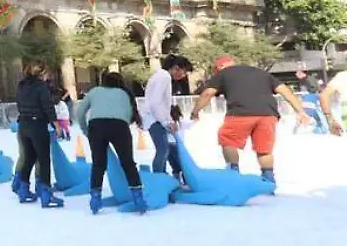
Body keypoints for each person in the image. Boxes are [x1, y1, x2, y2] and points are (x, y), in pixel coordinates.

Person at [190, 55, 311, 185]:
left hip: (240, 113)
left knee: (227, 140)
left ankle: (233, 174)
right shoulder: (260, 72)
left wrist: (195, 111)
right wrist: (300, 111)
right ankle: (269, 180)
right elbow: (285, 90)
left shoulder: (223, 73)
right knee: (264, 149)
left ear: (219, 67)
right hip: (268, 114)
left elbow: (207, 93)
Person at [74, 71, 146, 214]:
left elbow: (80, 112)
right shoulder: (124, 94)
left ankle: (95, 198)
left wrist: (85, 129)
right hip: (119, 126)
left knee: (99, 163)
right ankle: (138, 198)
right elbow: (129, 115)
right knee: (127, 162)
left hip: (96, 125)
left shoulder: (94, 92)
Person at [14, 60, 63, 207]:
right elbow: (48, 106)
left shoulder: (21, 86)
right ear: (41, 72)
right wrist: (56, 125)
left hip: (23, 124)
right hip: (37, 125)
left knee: (29, 157)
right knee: (43, 159)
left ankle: (23, 190)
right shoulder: (41, 87)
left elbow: (18, 104)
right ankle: (46, 193)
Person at [142, 55, 192, 178]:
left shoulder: (160, 75)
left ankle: (166, 175)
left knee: (167, 149)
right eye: (184, 72)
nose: (183, 76)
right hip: (154, 118)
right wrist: (165, 121)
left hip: (156, 117)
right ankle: (159, 178)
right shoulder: (164, 77)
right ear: (176, 68)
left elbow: (162, 104)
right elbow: (156, 102)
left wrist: (169, 119)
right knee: (163, 150)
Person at [318, 70, 347, 136]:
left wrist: (330, 119)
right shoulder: (342, 76)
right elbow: (324, 96)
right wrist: (331, 119)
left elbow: (324, 96)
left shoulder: (342, 76)